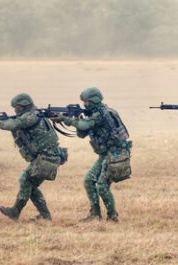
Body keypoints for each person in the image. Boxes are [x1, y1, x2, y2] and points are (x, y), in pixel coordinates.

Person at [55, 87, 132, 222]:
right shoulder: (94, 115)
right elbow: (82, 133)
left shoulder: (104, 114)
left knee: (102, 185)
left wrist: (66, 120)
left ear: (94, 100)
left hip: (115, 153)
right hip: (105, 154)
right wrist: (76, 119)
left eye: (87, 101)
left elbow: (86, 125)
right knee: (89, 180)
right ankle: (95, 214)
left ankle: (112, 216)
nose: (85, 104)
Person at [0, 93, 67, 221]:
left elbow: (12, 125)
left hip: (48, 157)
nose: (15, 110)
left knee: (25, 180)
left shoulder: (31, 117)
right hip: (46, 157)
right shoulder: (32, 114)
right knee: (29, 184)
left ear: (24, 106)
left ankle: (16, 211)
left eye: (17, 107)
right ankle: (44, 216)